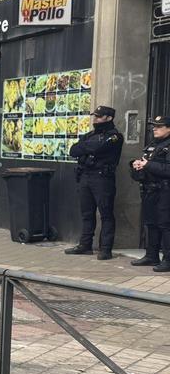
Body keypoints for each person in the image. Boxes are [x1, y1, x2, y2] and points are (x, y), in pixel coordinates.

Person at [66, 106, 124, 260]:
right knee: (87, 213)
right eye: (95, 116)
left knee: (106, 214)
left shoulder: (115, 136)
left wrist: (86, 147)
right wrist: (89, 147)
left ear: (109, 118)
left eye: (99, 116)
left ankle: (105, 249)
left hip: (102, 178)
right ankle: (85, 245)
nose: (95, 119)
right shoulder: (90, 135)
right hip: (85, 176)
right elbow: (73, 150)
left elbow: (99, 147)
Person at [131, 115, 170, 272]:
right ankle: (151, 255)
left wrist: (148, 165)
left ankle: (168, 259)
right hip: (150, 189)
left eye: (159, 126)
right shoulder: (153, 145)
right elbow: (147, 164)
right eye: (154, 126)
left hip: (165, 191)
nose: (155, 128)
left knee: (165, 225)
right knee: (151, 223)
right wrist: (137, 166)